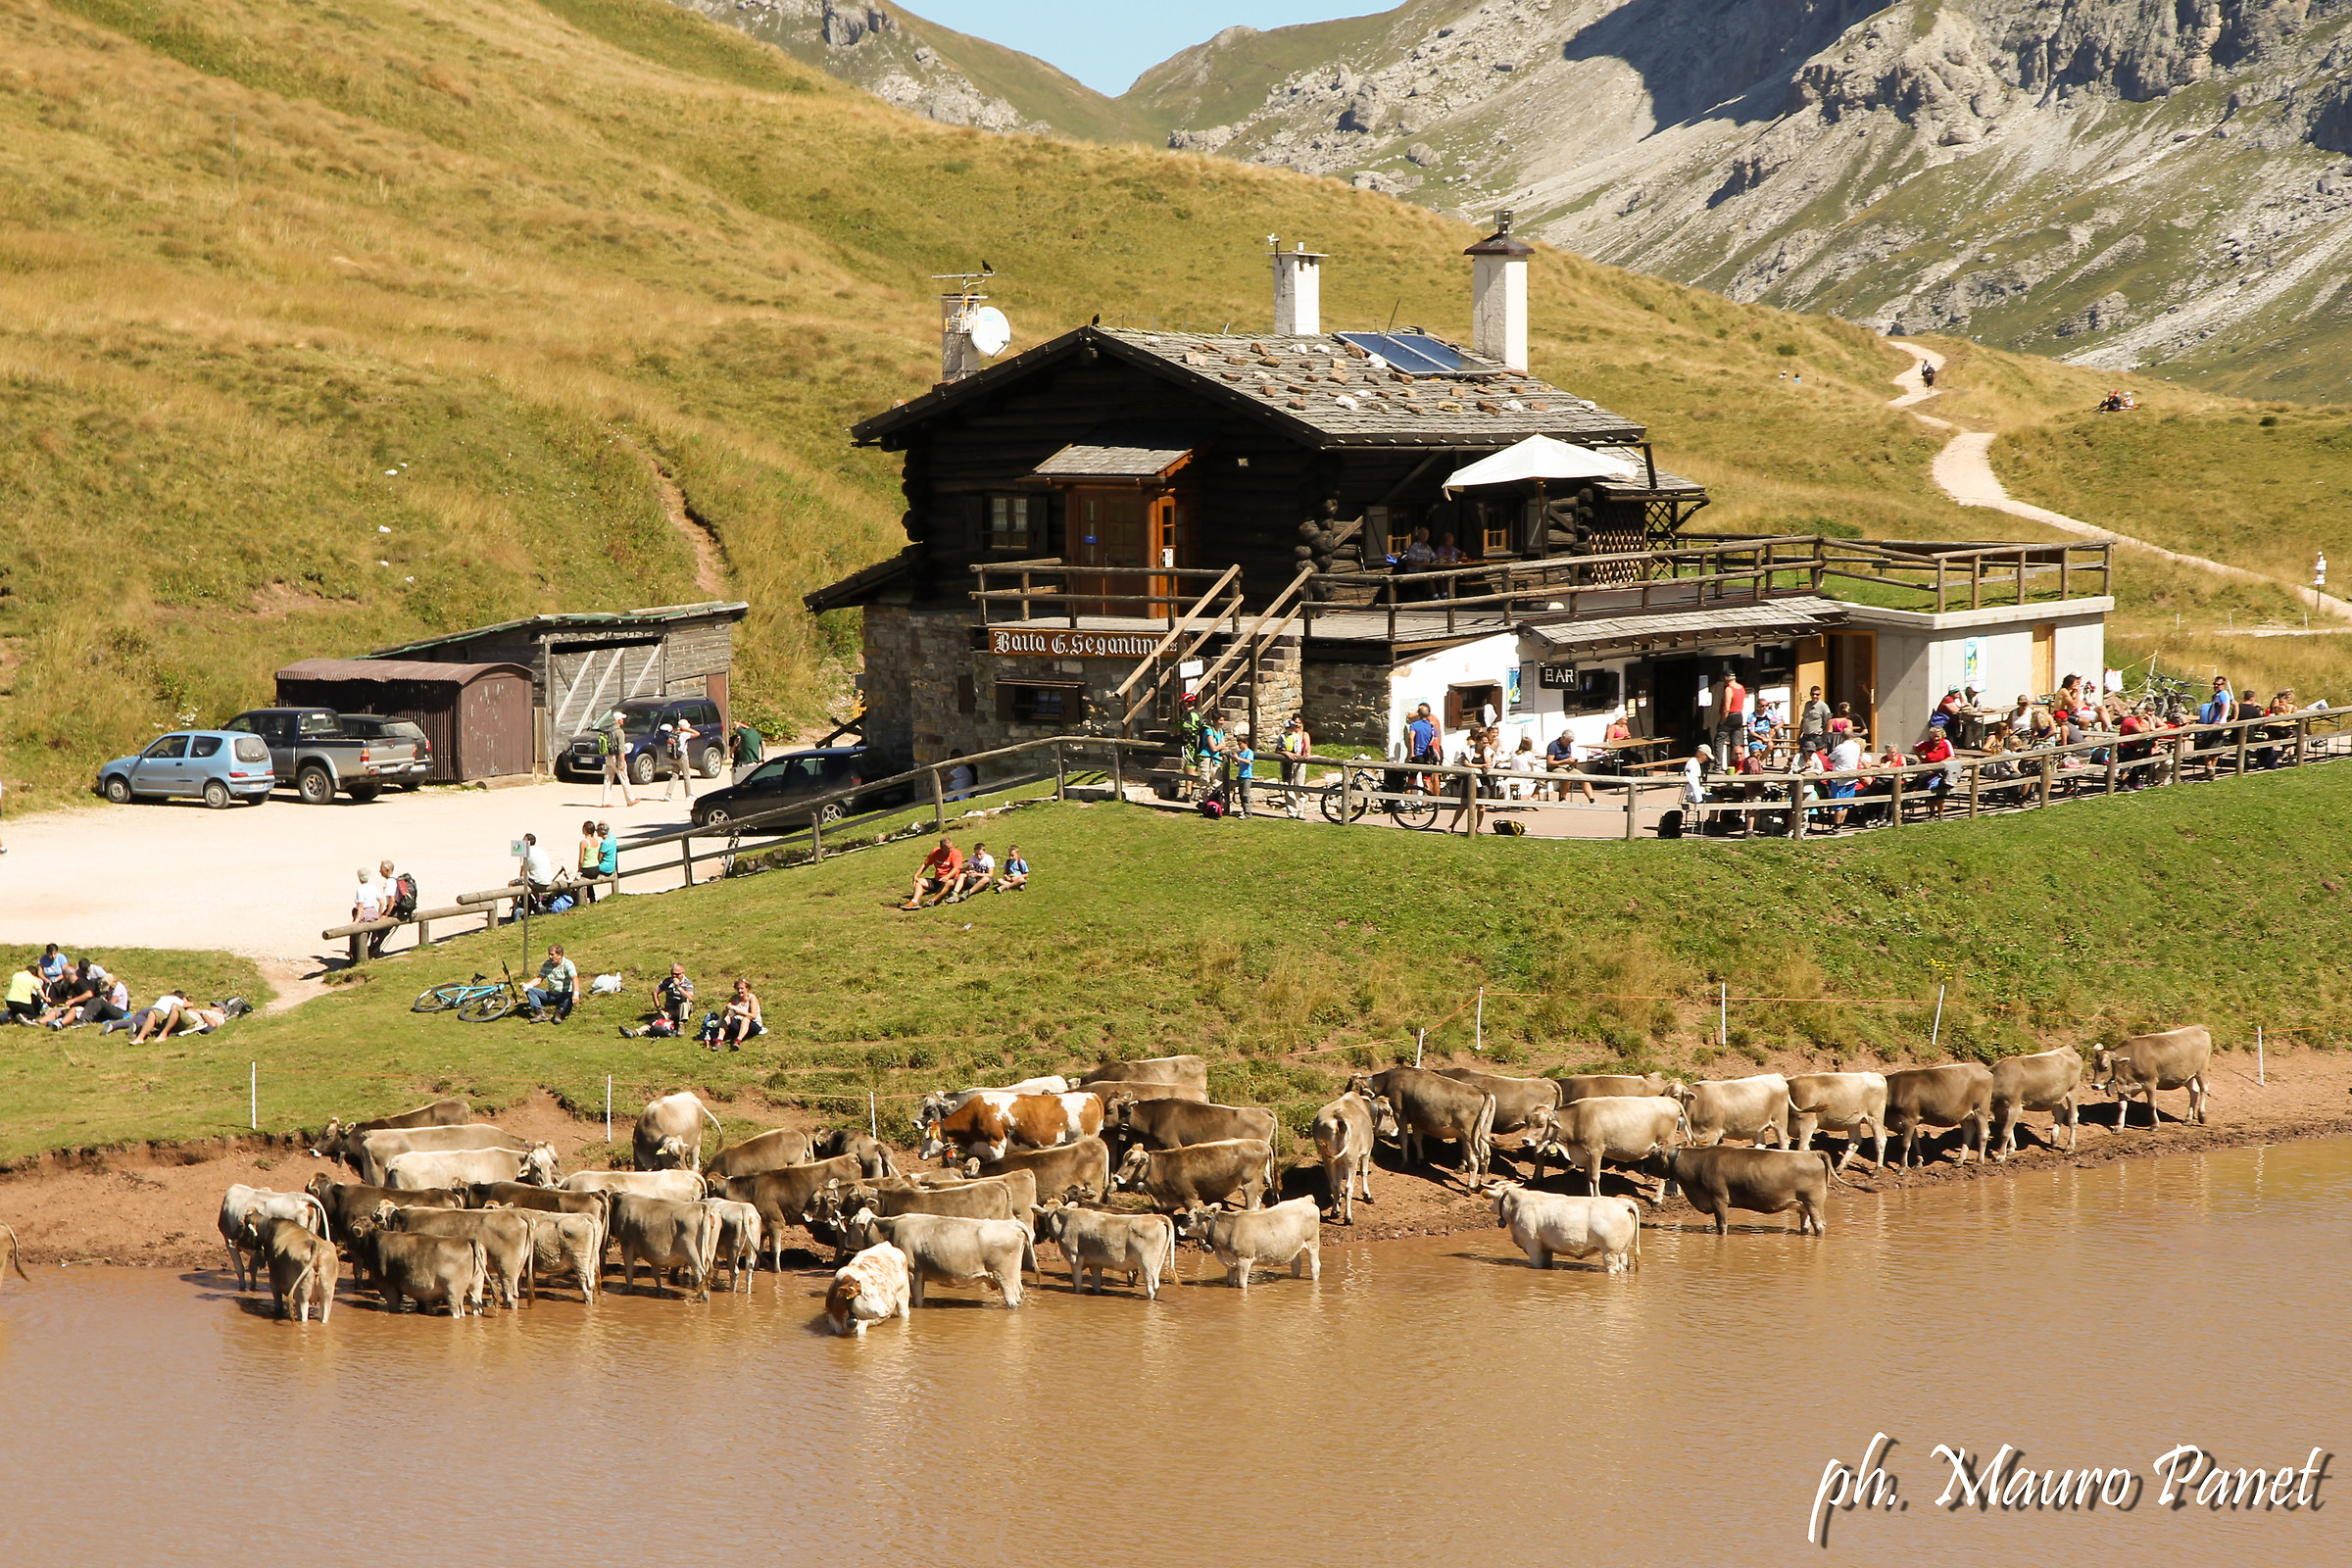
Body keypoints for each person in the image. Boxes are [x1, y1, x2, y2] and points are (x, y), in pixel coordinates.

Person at [622, 962, 695, 1038]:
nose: (674, 976)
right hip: (669, 1010)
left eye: (677, 974)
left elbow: (690, 998)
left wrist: (678, 987)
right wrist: (659, 1008)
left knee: (684, 1000)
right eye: (672, 973)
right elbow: (655, 992)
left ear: (682, 973)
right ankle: (636, 1032)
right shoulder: (667, 981)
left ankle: (681, 1024)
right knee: (655, 1020)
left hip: (682, 1011)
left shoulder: (687, 983)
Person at [905, 836, 962, 909]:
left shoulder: (956, 853)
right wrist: (916, 875)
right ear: (942, 848)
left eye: (951, 847)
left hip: (950, 879)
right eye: (948, 848)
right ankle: (914, 901)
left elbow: (956, 869)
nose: (950, 850)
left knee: (949, 882)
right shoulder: (935, 852)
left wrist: (947, 877)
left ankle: (932, 901)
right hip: (937, 880)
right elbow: (925, 864)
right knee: (919, 881)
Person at [707, 978, 762, 1051]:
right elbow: (725, 1013)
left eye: (742, 988)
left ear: (747, 988)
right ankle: (719, 1040)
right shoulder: (734, 998)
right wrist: (727, 1010)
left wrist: (739, 1011)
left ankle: (738, 1040)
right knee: (726, 1017)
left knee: (746, 1019)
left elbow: (753, 1016)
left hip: (753, 1025)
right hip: (739, 1024)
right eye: (738, 988)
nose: (740, 991)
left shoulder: (752, 998)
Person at [525, 944, 576, 1024]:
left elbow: (575, 978)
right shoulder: (547, 964)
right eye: (549, 954)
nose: (550, 957)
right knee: (531, 991)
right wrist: (527, 985)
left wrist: (576, 993)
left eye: (552, 954)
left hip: (564, 994)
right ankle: (540, 1013)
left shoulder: (568, 964)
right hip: (551, 995)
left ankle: (559, 1014)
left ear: (560, 955)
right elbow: (539, 978)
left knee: (571, 995)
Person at [1828, 727, 1864, 829]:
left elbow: (1830, 759)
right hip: (1852, 777)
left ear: (1842, 736)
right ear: (1852, 735)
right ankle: (1841, 824)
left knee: (1838, 803)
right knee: (1846, 803)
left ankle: (1837, 824)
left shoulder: (1840, 748)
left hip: (1839, 779)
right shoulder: (1857, 746)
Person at [1917, 728, 1956, 818]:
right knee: (1930, 792)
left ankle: (1941, 813)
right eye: (1934, 736)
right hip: (1929, 772)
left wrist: (1940, 764)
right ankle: (1932, 814)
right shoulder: (1927, 743)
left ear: (1942, 736)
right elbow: (1915, 747)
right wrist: (1921, 759)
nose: (1936, 738)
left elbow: (1952, 756)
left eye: (1938, 736)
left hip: (1942, 772)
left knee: (1940, 792)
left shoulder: (1946, 743)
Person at [599, 712, 636, 808]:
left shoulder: (609, 730)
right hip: (616, 757)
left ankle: (605, 801)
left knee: (608, 779)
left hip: (609, 756)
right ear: (619, 720)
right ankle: (630, 799)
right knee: (623, 777)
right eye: (622, 719)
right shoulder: (619, 732)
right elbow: (621, 748)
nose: (623, 720)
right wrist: (622, 761)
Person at [1276, 716, 1309, 818]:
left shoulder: (1304, 735)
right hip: (1287, 762)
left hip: (1299, 762)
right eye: (1295, 723)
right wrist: (1286, 753)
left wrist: (1307, 754)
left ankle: (1300, 811)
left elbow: (1307, 746)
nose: (1297, 725)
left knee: (1299, 786)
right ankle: (1292, 812)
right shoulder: (1284, 736)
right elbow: (1278, 748)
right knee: (1288, 785)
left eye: (1299, 723)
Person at [349, 867, 383, 968]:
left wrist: (356, 920)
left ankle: (355, 958)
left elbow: (361, 906)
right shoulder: (374, 887)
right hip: (373, 912)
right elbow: (382, 902)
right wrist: (379, 914)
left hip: (364, 913)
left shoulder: (360, 889)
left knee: (355, 936)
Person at [515, 833, 556, 913]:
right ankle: (538, 902)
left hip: (538, 882)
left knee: (511, 884)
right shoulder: (540, 850)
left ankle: (516, 907)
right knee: (533, 879)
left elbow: (523, 873)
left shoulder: (525, 852)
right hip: (548, 880)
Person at [661, 718, 698, 804]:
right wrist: (687, 729)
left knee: (674, 775)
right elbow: (697, 734)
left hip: (673, 757)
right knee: (686, 775)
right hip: (682, 757)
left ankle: (668, 794)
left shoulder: (673, 733)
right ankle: (689, 795)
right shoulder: (684, 734)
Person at [1717, 665, 1748, 759]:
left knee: (1719, 739)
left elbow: (1726, 707)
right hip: (1739, 715)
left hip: (1730, 716)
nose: (1723, 681)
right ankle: (1734, 763)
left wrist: (1722, 721)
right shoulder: (1741, 687)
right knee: (1735, 742)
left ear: (1727, 678)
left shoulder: (1729, 689)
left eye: (1723, 679)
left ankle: (1717, 765)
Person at [1225, 731, 1254, 818]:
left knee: (1246, 795)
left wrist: (1239, 758)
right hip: (1241, 776)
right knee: (1241, 795)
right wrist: (1234, 760)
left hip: (1247, 777)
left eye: (1240, 743)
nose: (1239, 745)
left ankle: (1248, 812)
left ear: (1246, 743)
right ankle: (1244, 810)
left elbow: (1248, 761)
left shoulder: (1249, 752)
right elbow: (1238, 764)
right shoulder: (1240, 753)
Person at [5, 959, 41, 1026]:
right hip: (22, 1002)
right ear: (34, 974)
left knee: (15, 1010)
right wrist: (45, 998)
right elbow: (40, 991)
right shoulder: (33, 978)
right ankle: (23, 1016)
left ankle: (9, 1017)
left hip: (9, 1001)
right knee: (32, 1013)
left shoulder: (16, 975)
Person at [1798, 685, 1831, 758]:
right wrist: (1799, 734)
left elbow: (1828, 720)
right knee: (1802, 757)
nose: (1815, 696)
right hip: (1806, 736)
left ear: (1820, 695)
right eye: (1813, 694)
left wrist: (1824, 733)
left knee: (1817, 758)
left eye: (1817, 694)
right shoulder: (1807, 704)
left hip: (1817, 737)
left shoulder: (1823, 706)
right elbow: (1804, 720)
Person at [577, 819, 603, 903]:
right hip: (596, 868)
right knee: (589, 883)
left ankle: (583, 899)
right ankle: (592, 898)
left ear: (585, 830)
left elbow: (581, 860)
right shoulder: (596, 841)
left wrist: (579, 870)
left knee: (579, 879)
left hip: (587, 868)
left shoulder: (584, 842)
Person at [598, 821, 619, 895]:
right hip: (611, 867)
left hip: (604, 869)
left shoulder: (604, 843)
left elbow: (599, 859)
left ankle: (591, 897)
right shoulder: (612, 839)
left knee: (587, 874)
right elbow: (609, 833)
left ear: (600, 832)